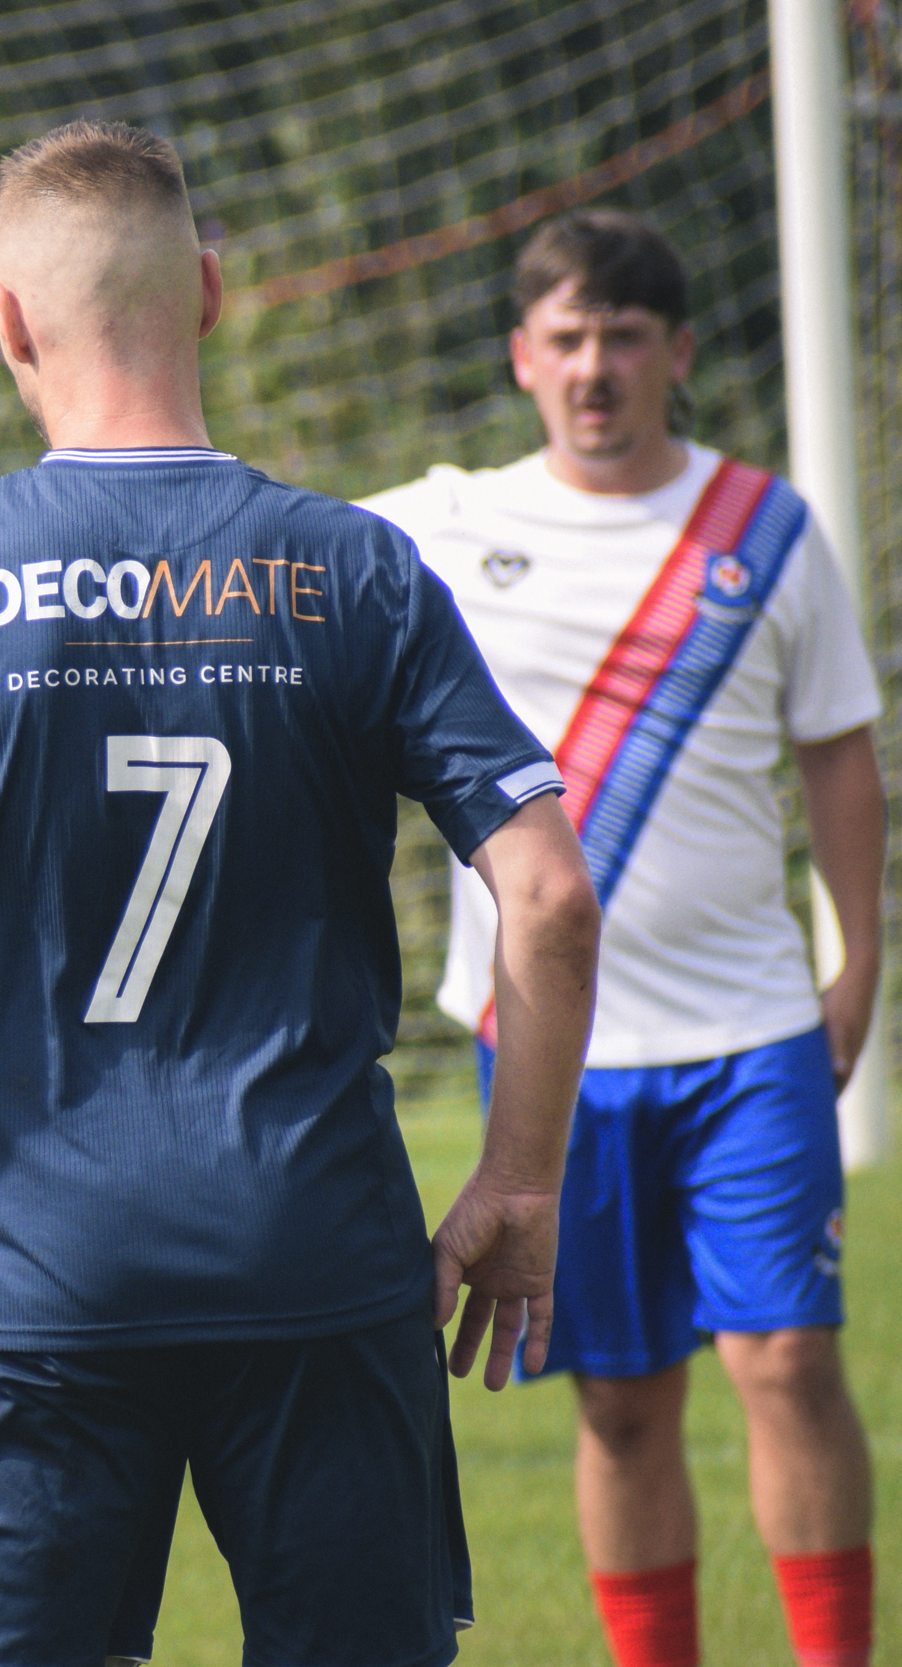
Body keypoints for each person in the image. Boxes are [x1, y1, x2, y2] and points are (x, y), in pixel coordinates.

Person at [0, 121, 605, 1667]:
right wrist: (520, 1179)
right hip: (317, 1254)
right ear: (215, 293)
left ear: (6, 322)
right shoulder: (358, 571)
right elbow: (554, 897)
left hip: (33, 1272)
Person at [360, 209, 879, 1667]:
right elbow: (270, 555)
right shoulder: (438, 524)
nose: (597, 367)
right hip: (552, 1058)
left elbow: (839, 753)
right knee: (621, 1397)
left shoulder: (766, 529)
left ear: (679, 353)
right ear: (524, 357)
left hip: (751, 1035)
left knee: (787, 1361)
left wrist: (858, 964)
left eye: (627, 337)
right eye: (569, 338)